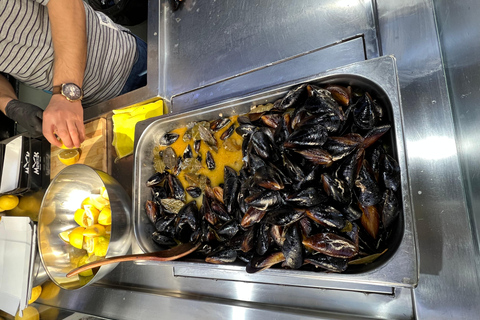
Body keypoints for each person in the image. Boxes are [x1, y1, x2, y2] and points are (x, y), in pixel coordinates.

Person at [0, 0, 147, 148]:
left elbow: (66, 3)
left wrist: (66, 94)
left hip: (121, 64)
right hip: (88, 102)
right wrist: (9, 105)